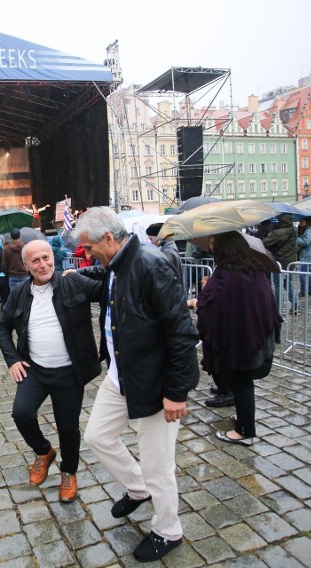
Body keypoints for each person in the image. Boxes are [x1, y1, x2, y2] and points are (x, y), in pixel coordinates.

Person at [73, 207, 199, 563]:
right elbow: (106, 276)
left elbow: (180, 332)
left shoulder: (150, 264)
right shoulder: (119, 262)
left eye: (89, 247)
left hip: (156, 383)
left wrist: (177, 392)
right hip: (122, 374)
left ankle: (168, 530)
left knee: (159, 464)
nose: (86, 253)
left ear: (109, 239)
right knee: (98, 436)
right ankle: (137, 487)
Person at [0, 240, 102, 502]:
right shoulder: (20, 293)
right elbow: (2, 326)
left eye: (46, 257)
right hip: (36, 369)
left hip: (69, 371)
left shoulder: (72, 282)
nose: (42, 264)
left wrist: (86, 272)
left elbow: (110, 287)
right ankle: (44, 452)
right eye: (35, 260)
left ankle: (69, 472)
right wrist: (12, 360)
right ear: (25, 265)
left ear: (53, 257)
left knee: (67, 427)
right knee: (21, 413)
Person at [191, 232, 282, 446]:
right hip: (257, 335)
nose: (210, 247)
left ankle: (245, 431)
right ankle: (243, 419)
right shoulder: (254, 268)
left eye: (213, 243)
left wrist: (205, 291)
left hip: (240, 342)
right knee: (243, 382)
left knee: (242, 382)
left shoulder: (225, 275)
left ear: (225, 248)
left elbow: (210, 307)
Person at [263, 213, 299, 314]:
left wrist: (270, 234)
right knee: (289, 283)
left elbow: (265, 242)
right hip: (291, 260)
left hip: (279, 261)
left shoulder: (278, 232)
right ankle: (295, 304)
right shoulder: (294, 230)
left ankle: (279, 308)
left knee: (278, 284)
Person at [296, 217, 311, 297]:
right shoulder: (307, 230)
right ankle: (309, 290)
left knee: (302, 274)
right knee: (307, 274)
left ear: (306, 222)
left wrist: (297, 239)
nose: (300, 222)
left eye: (302, 221)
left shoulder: (308, 230)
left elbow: (306, 242)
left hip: (307, 256)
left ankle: (303, 291)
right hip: (308, 255)